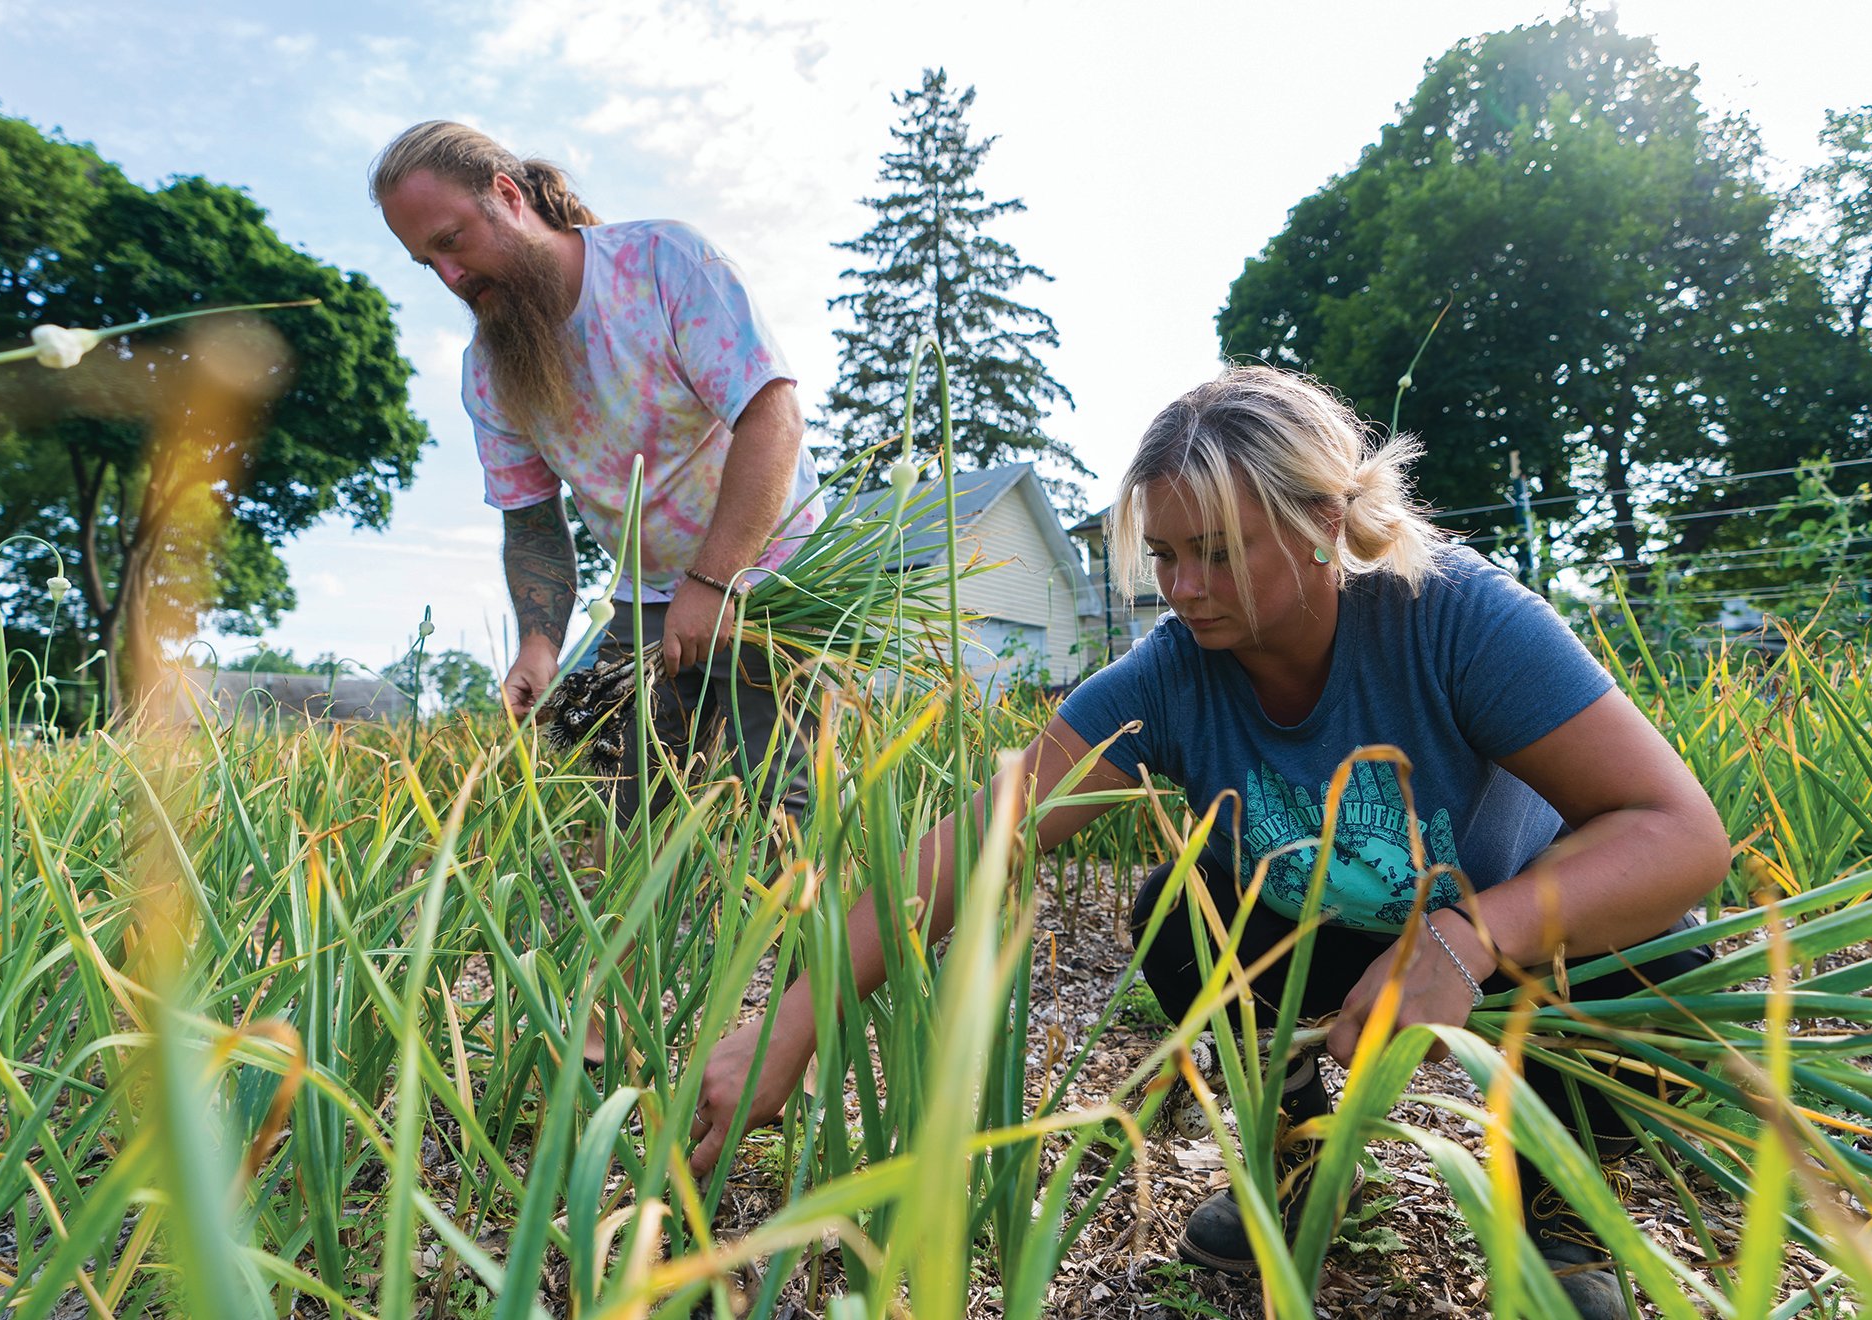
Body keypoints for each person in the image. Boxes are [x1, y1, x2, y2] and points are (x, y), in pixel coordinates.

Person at [687, 367, 1731, 1319]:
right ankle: (1301, 1155)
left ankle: (1554, 1203)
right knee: (1178, 919)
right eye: (1168, 556)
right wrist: (799, 1014)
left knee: (1667, 953)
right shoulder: (1171, 675)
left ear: (1323, 520)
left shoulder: (1452, 618)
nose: (1181, 591)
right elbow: (983, 833)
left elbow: (1678, 834)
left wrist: (1468, 939)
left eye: (1218, 554)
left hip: (1526, 932)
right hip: (1327, 927)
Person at [370, 120, 824, 819]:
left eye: (452, 240)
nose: (451, 276)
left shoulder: (662, 262)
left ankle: (791, 926)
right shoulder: (490, 370)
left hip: (769, 571)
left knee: (777, 805)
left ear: (506, 195)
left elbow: (772, 418)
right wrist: (539, 642)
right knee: (629, 799)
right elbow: (532, 522)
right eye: (427, 262)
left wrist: (715, 577)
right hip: (645, 598)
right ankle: (658, 932)